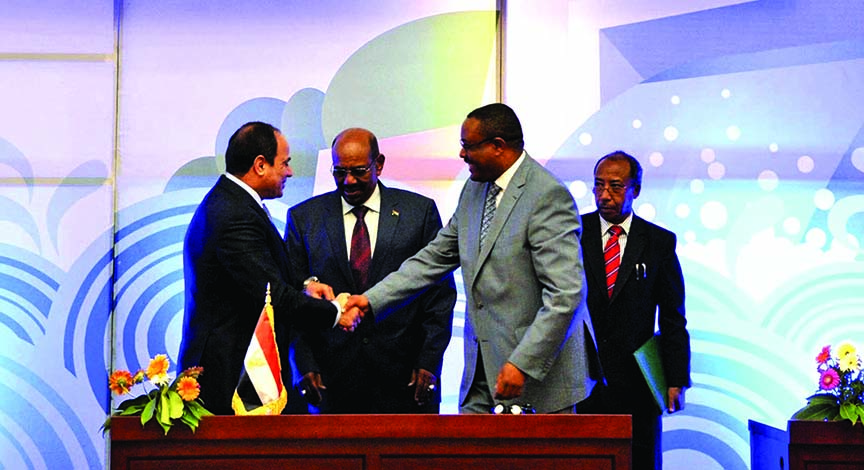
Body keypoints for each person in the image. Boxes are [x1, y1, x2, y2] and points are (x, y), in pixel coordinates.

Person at [345, 103, 599, 414]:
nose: (462, 155)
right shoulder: (475, 189)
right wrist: (370, 300)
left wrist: (524, 362)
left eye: (468, 146)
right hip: (482, 375)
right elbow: (434, 257)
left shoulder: (547, 196)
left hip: (536, 379)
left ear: (498, 147)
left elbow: (566, 294)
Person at [178, 121, 361, 415]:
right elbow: (270, 295)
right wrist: (336, 314)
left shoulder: (234, 203)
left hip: (243, 374)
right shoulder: (233, 214)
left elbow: (253, 277)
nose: (289, 172)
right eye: (284, 163)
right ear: (260, 165)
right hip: (231, 379)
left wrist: (303, 286)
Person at [284, 127, 457, 413]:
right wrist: (302, 364)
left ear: (379, 164)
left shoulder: (419, 212)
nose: (348, 181)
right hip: (328, 381)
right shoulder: (304, 218)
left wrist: (429, 362)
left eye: (359, 171)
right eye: (339, 172)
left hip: (405, 380)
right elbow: (292, 299)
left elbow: (439, 297)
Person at [577, 150, 691, 470]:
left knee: (638, 460)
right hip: (582, 376)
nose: (604, 195)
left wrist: (675, 378)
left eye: (615, 186)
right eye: (598, 185)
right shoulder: (573, 235)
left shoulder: (658, 242)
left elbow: (673, 317)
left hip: (638, 380)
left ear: (635, 189)